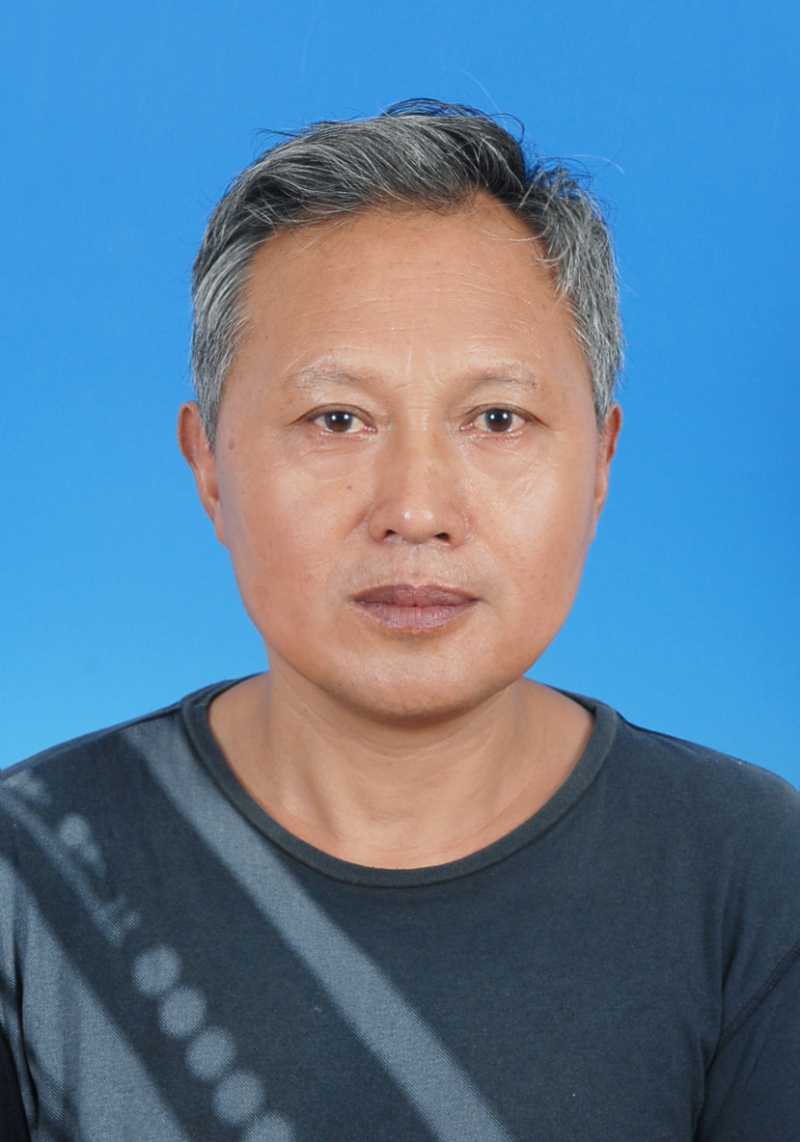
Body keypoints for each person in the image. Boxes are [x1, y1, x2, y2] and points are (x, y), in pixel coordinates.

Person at [1, 98, 798, 1142]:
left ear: (600, 463)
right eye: (336, 418)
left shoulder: (756, 875)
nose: (416, 510)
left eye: (497, 418)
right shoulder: (29, 871)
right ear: (208, 465)